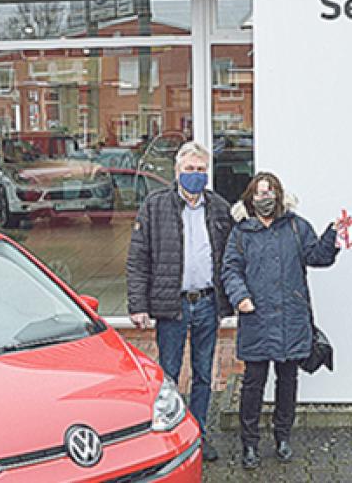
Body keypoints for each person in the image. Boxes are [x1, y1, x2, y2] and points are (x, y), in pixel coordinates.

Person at [221, 172, 340, 470]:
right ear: (251, 198)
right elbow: (230, 269)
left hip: (291, 318)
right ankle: (250, 444)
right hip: (256, 319)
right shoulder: (241, 233)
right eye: (260, 193)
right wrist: (240, 296)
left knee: (288, 381)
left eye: (270, 191)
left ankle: (283, 437)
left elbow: (318, 257)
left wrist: (333, 234)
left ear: (279, 195)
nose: (266, 198)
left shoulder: (297, 227)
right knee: (253, 383)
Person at [126, 141, 234, 462]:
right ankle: (170, 436)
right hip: (172, 304)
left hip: (208, 303)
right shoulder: (156, 205)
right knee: (169, 373)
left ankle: (198, 434)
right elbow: (138, 258)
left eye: (201, 169)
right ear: (177, 171)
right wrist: (138, 305)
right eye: (189, 169)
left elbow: (231, 256)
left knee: (203, 373)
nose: (195, 175)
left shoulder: (219, 208)